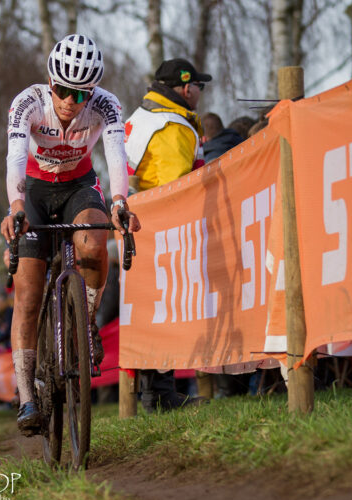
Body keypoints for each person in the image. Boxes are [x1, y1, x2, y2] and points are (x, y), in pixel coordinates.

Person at [1, 34, 139, 434]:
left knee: (95, 243)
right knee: (27, 292)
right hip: (35, 190)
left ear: (91, 92)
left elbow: (115, 156)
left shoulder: (106, 105)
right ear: (50, 80)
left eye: (79, 94)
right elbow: (13, 158)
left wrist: (118, 202)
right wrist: (16, 207)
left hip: (80, 186)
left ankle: (84, 322)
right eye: (61, 89)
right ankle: (27, 396)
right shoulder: (27, 102)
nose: (68, 101)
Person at [125, 58, 211, 413]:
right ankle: (159, 394)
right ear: (186, 87)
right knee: (167, 307)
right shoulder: (173, 125)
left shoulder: (143, 115)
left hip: (137, 223)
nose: (200, 95)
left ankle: (151, 393)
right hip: (162, 227)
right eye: (199, 88)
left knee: (149, 309)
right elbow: (180, 187)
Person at [125, 57, 210, 191]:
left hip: (132, 207)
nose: (200, 91)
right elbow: (177, 193)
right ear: (187, 89)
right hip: (155, 210)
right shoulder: (174, 128)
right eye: (200, 86)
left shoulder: (139, 116)